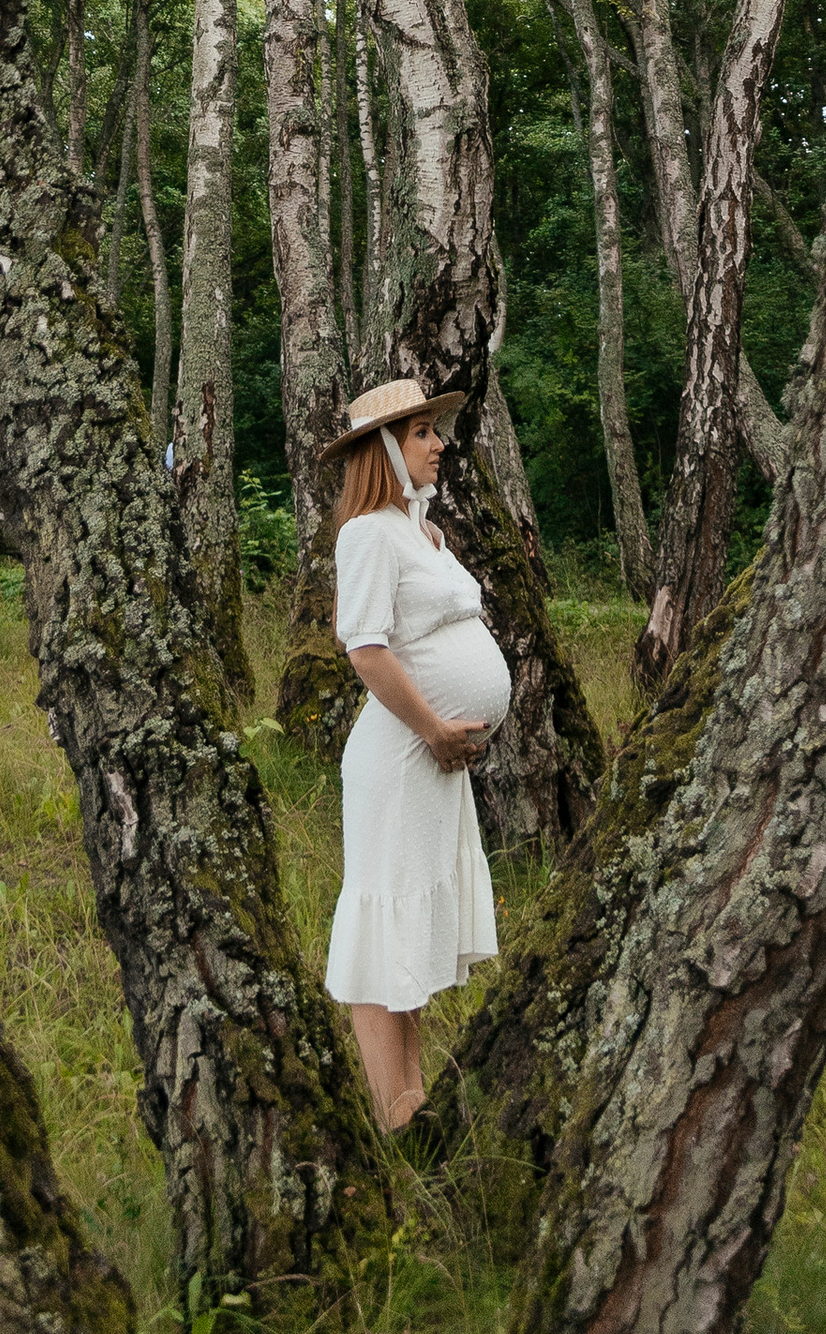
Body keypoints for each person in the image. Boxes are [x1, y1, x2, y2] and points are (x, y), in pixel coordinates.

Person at [318, 375, 514, 1134]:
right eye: (423, 433)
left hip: (434, 762)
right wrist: (433, 728)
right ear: (386, 451)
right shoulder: (368, 532)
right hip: (400, 761)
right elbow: (364, 648)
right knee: (383, 928)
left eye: (436, 429)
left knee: (409, 930)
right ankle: (393, 1113)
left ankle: (415, 1101)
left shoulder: (424, 533)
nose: (440, 445)